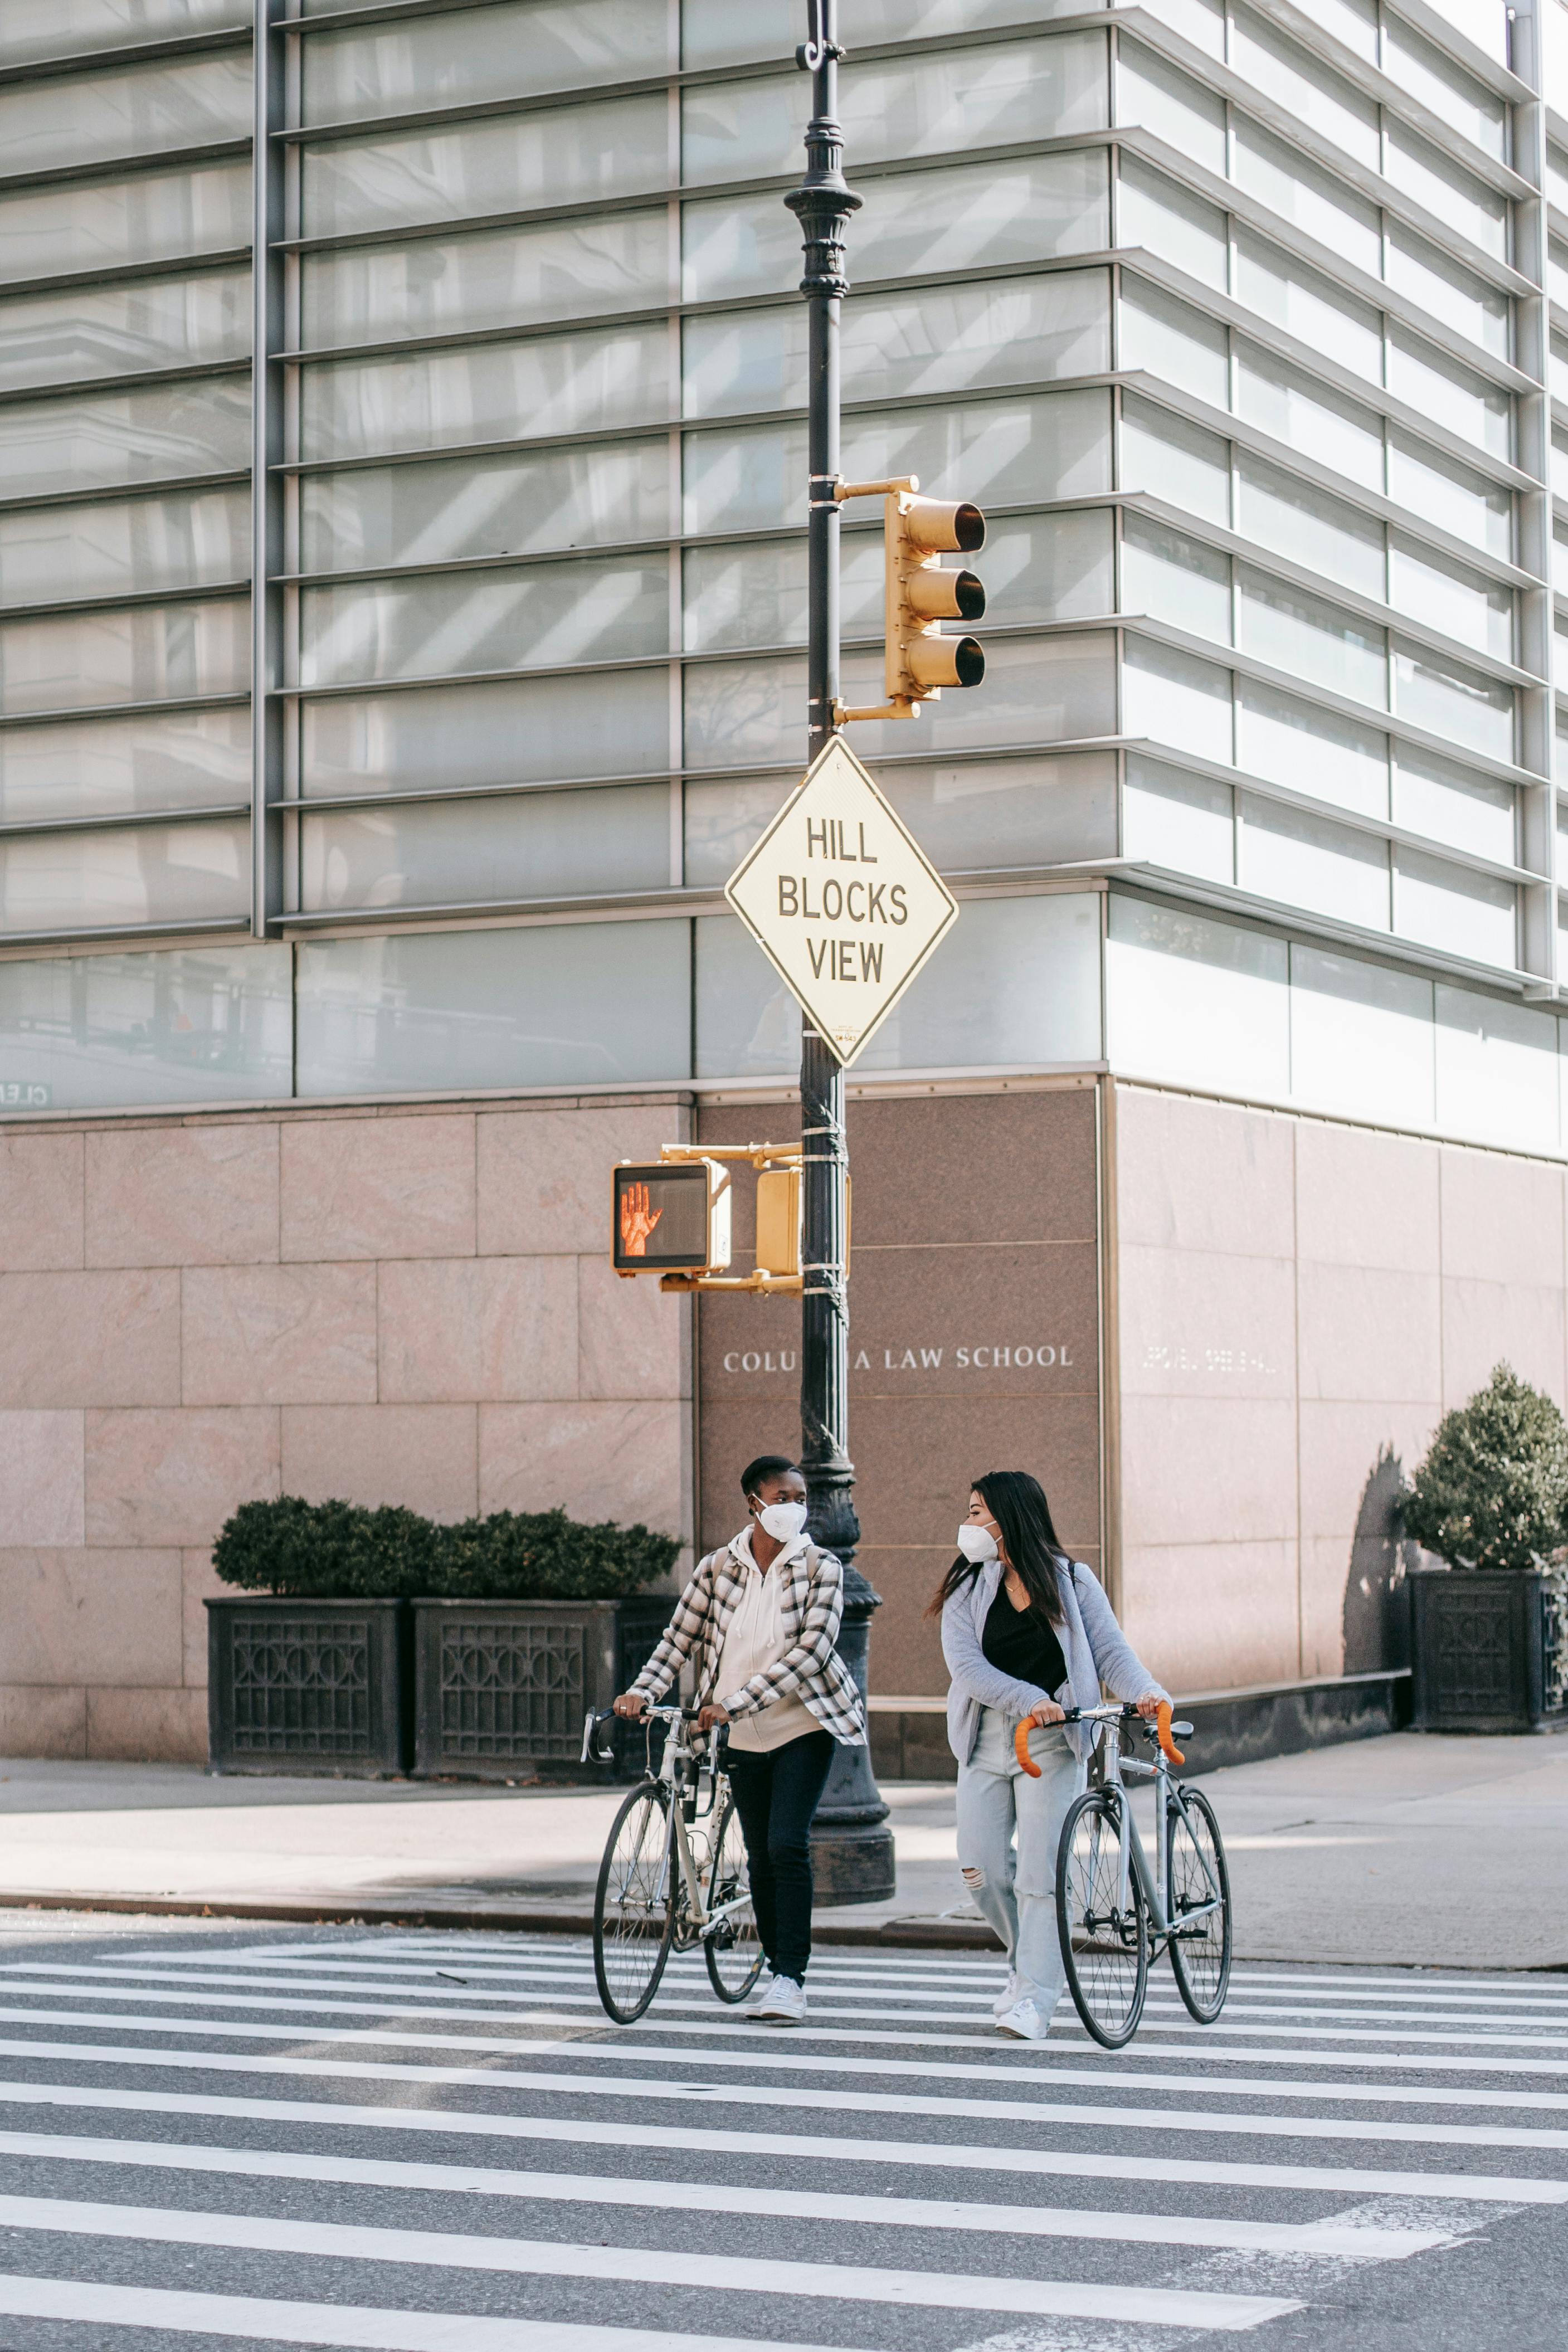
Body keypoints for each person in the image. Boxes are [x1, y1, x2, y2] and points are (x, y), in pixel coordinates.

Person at [615, 1453, 865, 2025]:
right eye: (782, 1499)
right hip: (737, 1732)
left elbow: (810, 1654)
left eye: (801, 1500)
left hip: (803, 1722)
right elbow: (677, 1640)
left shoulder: (822, 1567)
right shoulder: (717, 1568)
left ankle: (790, 1979)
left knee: (786, 1845)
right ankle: (776, 1962)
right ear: (753, 1503)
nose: (794, 1509)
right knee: (758, 1855)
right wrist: (639, 1691)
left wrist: (732, 1703)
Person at [933, 1469, 1168, 2043]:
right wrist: (1027, 1698)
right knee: (980, 1869)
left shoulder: (1071, 1580)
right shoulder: (967, 1588)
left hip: (1052, 1742)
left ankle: (1035, 1998)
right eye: (969, 1511)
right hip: (986, 1738)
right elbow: (967, 1669)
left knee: (1040, 1875)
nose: (968, 1523)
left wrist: (1146, 1691)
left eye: (976, 1512)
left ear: (1009, 1519)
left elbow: (1111, 1651)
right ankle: (1028, 1959)